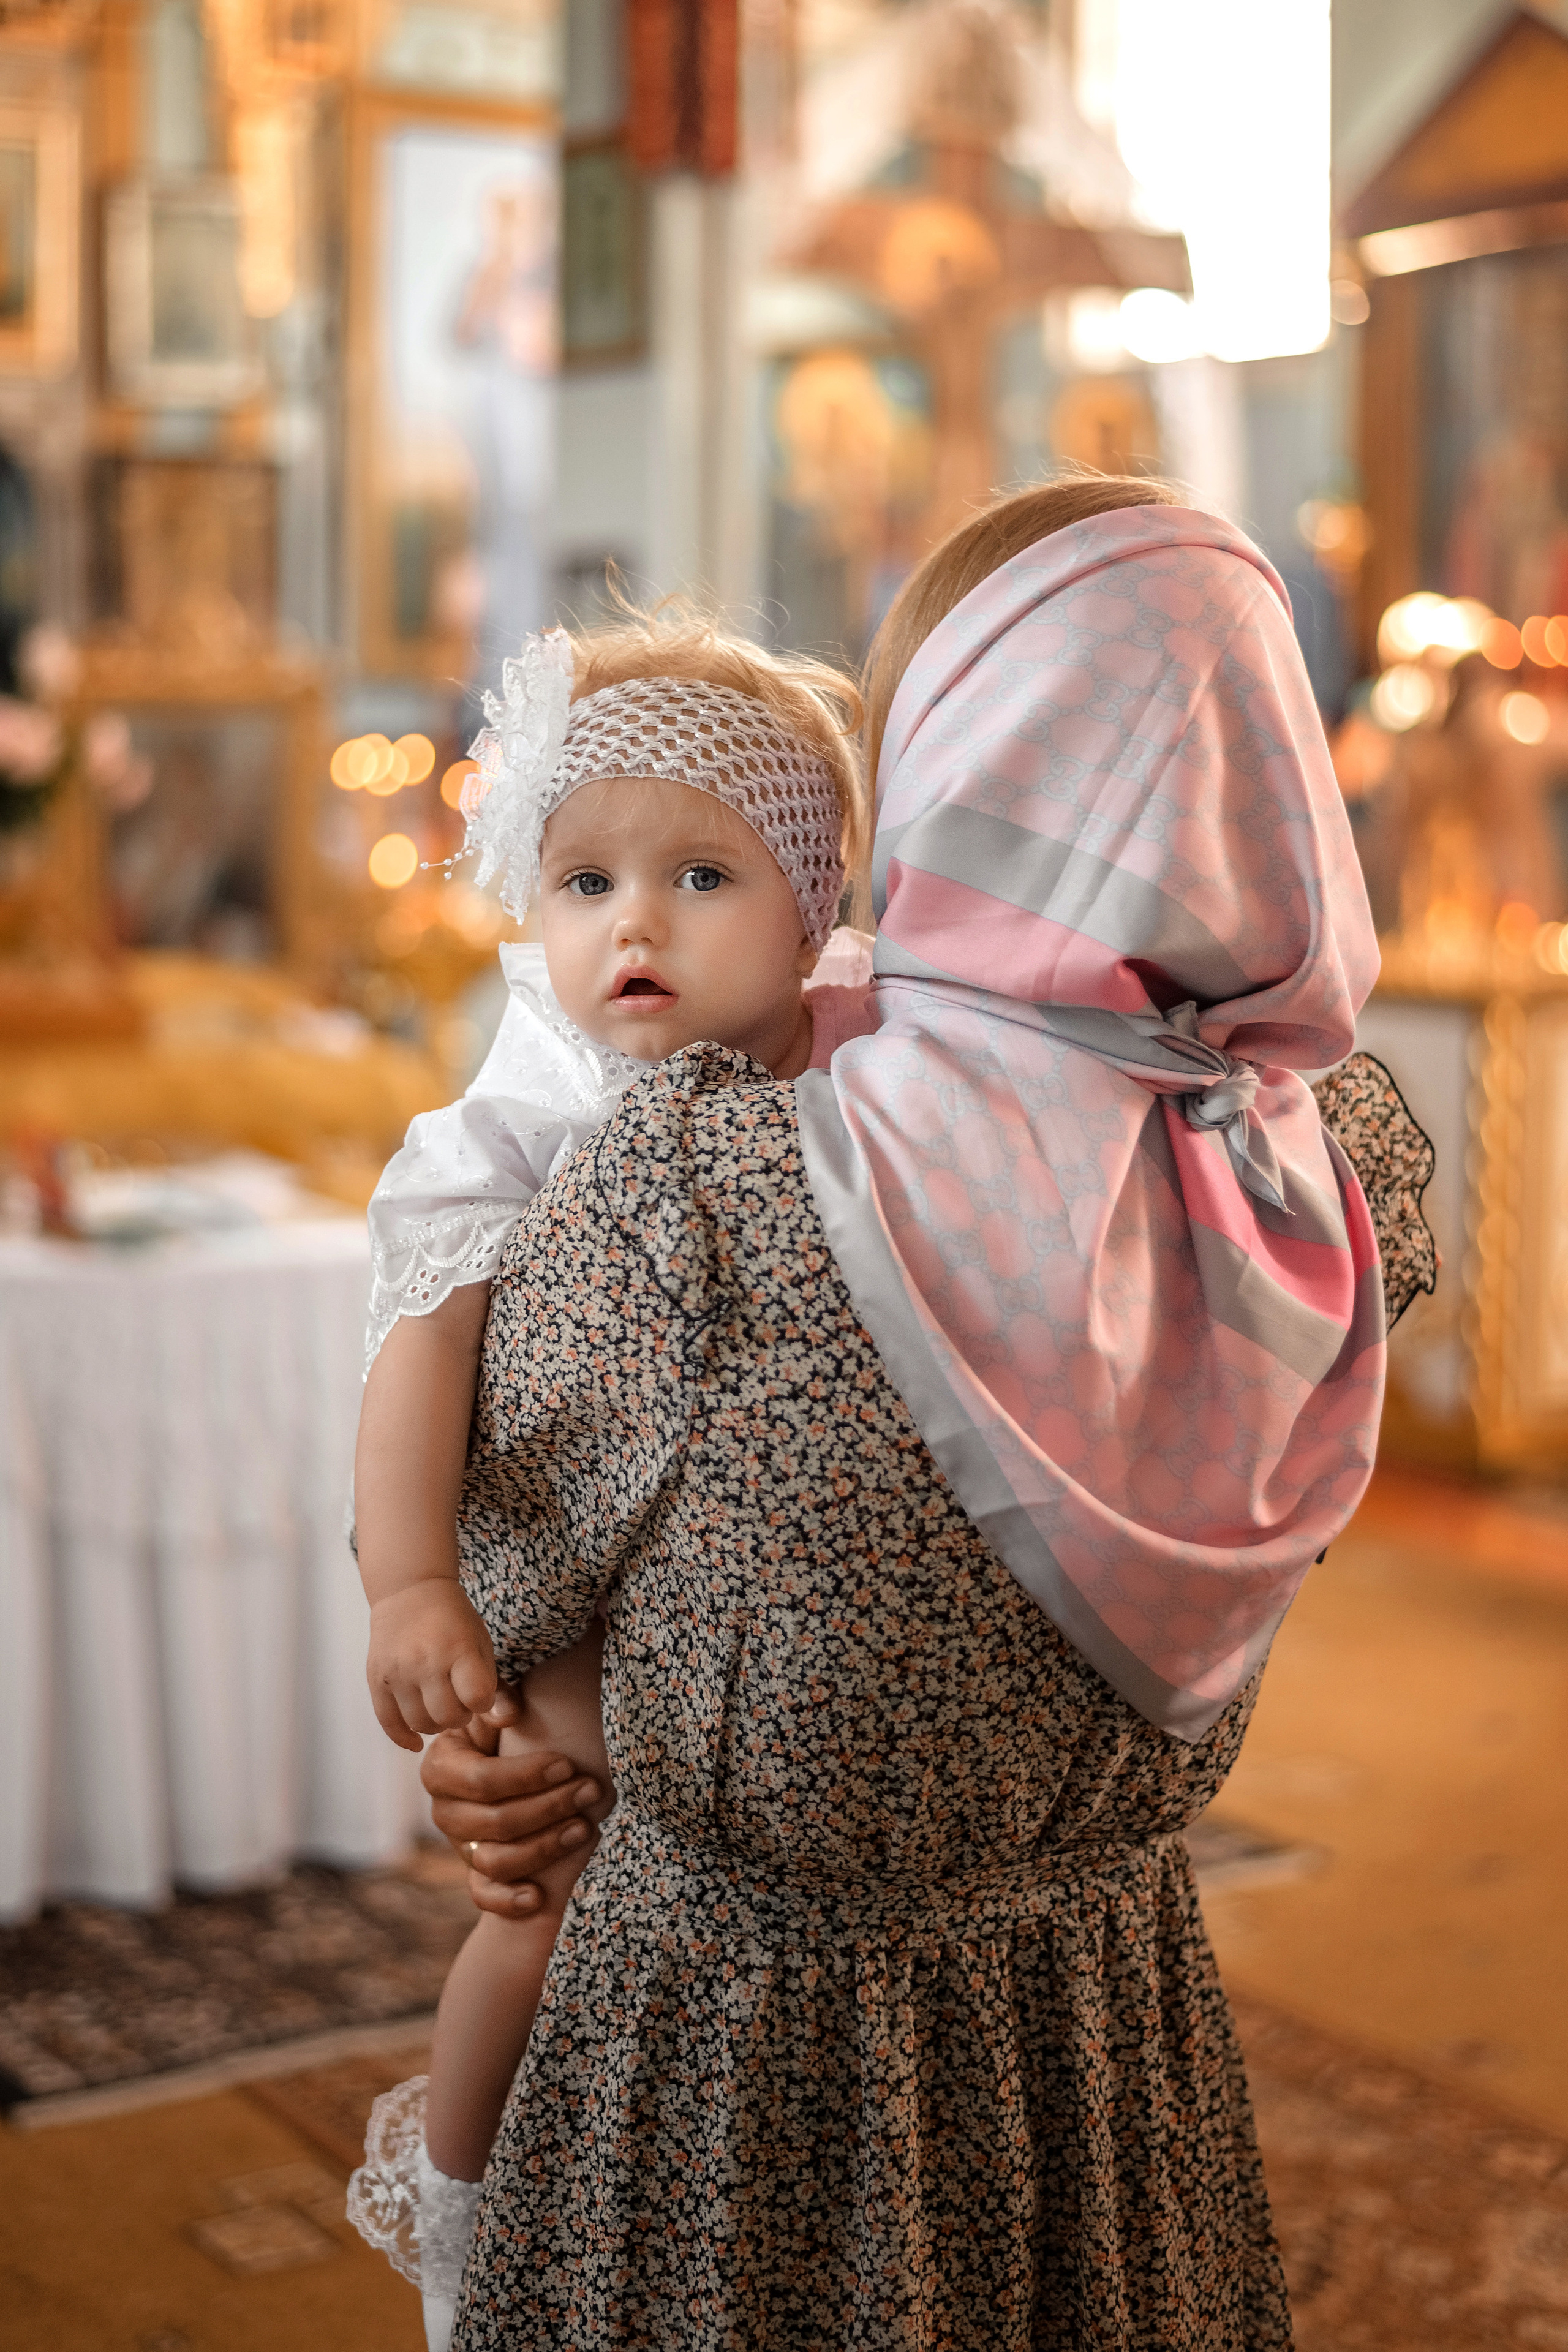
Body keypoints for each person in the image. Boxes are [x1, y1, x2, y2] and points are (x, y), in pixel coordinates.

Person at [409, 473, 1399, 2351]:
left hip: (741, 2059)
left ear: (959, 748)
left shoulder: (713, 1175)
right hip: (1106, 2039)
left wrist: (491, 1728)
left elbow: (502, 1587)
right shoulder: (1319, 1177)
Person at [348, 608, 875, 2350]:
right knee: (550, 1865)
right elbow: (427, 1317)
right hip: (571, 1553)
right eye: (584, 885)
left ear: (817, 908)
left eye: (703, 879)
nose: (632, 924)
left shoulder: (845, 1066)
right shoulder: (548, 1084)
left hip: (772, 1611)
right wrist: (410, 1579)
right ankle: (472, 2217)